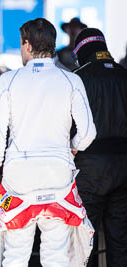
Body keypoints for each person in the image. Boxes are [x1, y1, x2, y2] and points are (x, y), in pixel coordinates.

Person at [0, 18, 96, 267]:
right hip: (58, 174)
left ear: (26, 45)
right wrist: (72, 148)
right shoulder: (71, 80)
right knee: (56, 254)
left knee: (15, 254)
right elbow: (88, 133)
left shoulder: (8, 81)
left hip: (18, 176)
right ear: (53, 45)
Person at [73, 28, 127, 267]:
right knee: (121, 240)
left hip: (89, 169)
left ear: (81, 51)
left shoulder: (78, 78)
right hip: (124, 167)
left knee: (86, 240)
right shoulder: (125, 75)